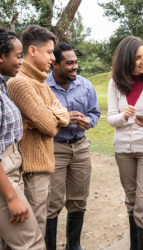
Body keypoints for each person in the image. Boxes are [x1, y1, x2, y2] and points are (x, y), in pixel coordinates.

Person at [7, 25, 70, 236]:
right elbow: (51, 127)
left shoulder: (41, 82)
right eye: (50, 52)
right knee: (32, 234)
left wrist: (54, 115)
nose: (53, 58)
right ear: (32, 51)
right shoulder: (21, 83)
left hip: (43, 167)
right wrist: (54, 116)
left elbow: (66, 116)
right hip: (31, 171)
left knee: (38, 227)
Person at [107, 36, 143, 250]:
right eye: (137, 58)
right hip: (123, 150)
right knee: (131, 202)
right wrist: (124, 115)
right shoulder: (115, 83)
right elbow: (111, 119)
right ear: (125, 60)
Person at [45, 42, 101, 250]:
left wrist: (89, 121)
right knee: (52, 202)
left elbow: (95, 112)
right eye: (69, 63)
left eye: (76, 62)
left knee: (79, 199)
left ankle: (73, 245)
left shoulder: (85, 85)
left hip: (80, 147)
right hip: (55, 148)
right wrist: (63, 119)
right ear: (55, 65)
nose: (74, 67)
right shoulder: (44, 87)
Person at [0, 27, 46, 249]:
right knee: (32, 243)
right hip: (4, 178)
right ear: (1, 56)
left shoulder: (3, 87)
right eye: (18, 57)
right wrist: (11, 198)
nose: (21, 62)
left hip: (12, 169)